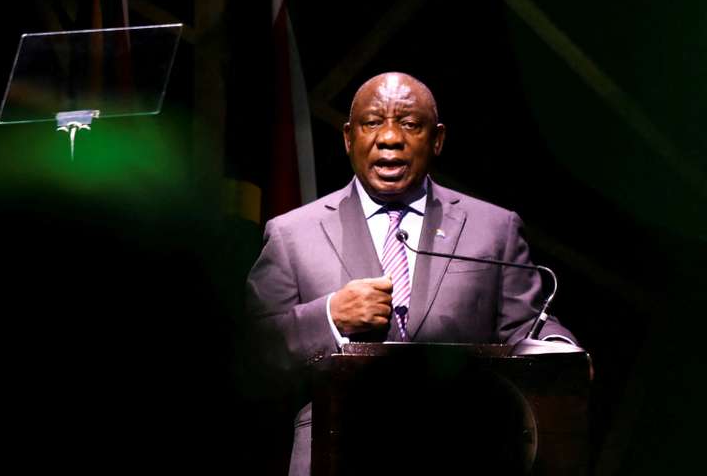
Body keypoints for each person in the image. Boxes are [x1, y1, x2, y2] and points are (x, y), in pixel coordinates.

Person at [245, 72, 575, 475]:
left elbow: (531, 328)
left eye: (409, 124)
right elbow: (251, 354)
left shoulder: (493, 229)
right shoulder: (291, 234)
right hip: (335, 456)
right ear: (349, 137)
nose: (389, 138)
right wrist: (330, 316)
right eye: (371, 123)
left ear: (436, 140)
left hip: (461, 452)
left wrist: (562, 351)